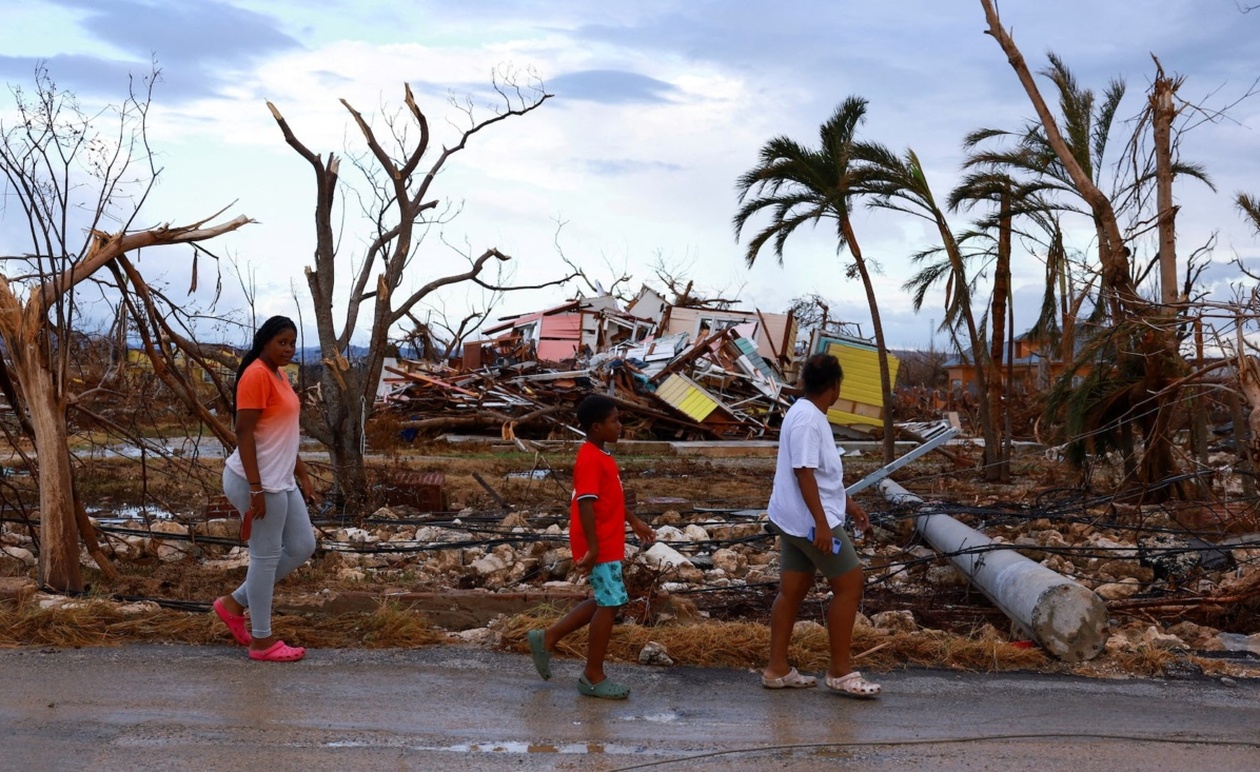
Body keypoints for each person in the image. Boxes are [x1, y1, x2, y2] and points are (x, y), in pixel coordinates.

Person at [761, 353, 881, 698]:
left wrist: (849, 503)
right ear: (835, 386)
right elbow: (804, 473)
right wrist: (823, 525)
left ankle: (777, 670)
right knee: (850, 583)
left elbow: (822, 475)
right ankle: (840, 672)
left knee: (793, 591)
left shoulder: (803, 412)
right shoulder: (808, 421)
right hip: (809, 523)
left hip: (795, 519)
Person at [527, 394, 656, 699]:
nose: (620, 426)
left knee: (605, 600)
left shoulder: (601, 455)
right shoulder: (588, 458)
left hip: (608, 540)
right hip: (598, 543)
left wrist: (634, 521)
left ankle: (548, 637)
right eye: (615, 421)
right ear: (597, 427)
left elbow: (610, 499)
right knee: (610, 603)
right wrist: (594, 548)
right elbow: (585, 504)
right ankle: (592, 676)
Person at [212, 316, 317, 663]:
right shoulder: (256, 374)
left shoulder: (279, 374)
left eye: (292, 342)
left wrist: (302, 473)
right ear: (265, 342)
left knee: (303, 545)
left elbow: (281, 433)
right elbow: (244, 433)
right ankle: (262, 641)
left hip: (279, 479)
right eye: (281, 342)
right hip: (255, 481)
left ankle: (234, 603)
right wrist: (256, 489)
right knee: (266, 557)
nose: (288, 349)